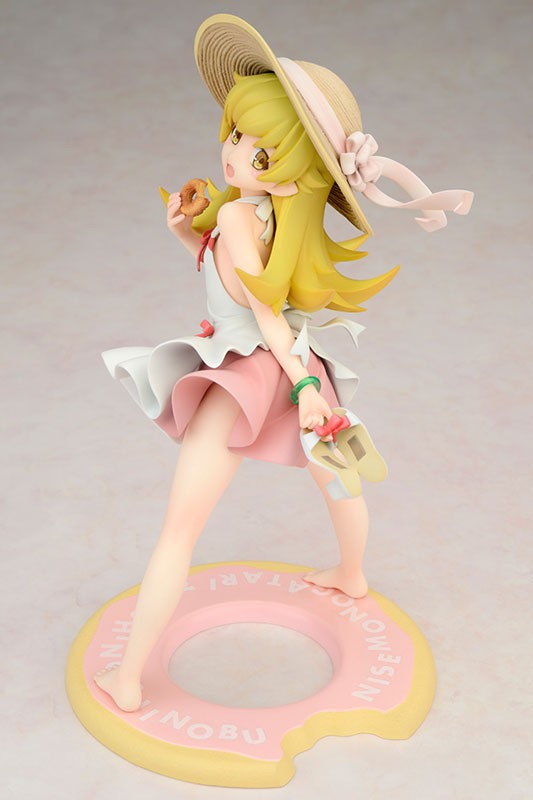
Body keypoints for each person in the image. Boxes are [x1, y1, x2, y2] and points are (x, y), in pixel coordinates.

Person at [94, 14, 472, 712]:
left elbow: (262, 311)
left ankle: (127, 679)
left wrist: (300, 385)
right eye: (235, 135)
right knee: (340, 477)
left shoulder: (238, 216)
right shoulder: (273, 216)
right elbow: (244, 289)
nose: (235, 153)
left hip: (252, 372)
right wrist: (188, 238)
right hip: (294, 360)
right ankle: (352, 574)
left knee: (178, 530)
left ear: (292, 168)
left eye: (258, 150)